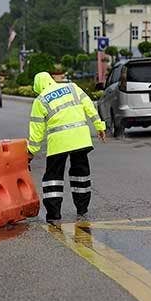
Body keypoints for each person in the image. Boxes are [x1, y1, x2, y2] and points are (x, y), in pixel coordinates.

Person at [27, 72, 106, 225]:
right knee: (81, 173)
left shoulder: (40, 100)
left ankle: (54, 214)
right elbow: (89, 106)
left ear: (37, 86)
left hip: (59, 143)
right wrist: (99, 126)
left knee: (53, 177)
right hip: (80, 139)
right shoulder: (72, 87)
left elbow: (37, 131)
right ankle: (82, 208)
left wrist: (31, 152)